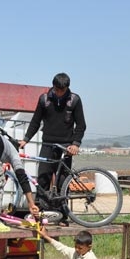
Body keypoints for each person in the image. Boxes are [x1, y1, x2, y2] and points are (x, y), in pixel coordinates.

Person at [19, 73, 87, 223]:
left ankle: (62, 215)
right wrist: (25, 140)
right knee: (43, 177)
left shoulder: (74, 100)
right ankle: (40, 213)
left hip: (66, 146)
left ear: (67, 88)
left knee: (63, 181)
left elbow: (81, 125)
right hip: (48, 144)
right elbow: (35, 121)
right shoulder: (44, 99)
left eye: (62, 90)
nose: (59, 93)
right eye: (57, 90)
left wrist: (75, 144)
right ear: (53, 87)